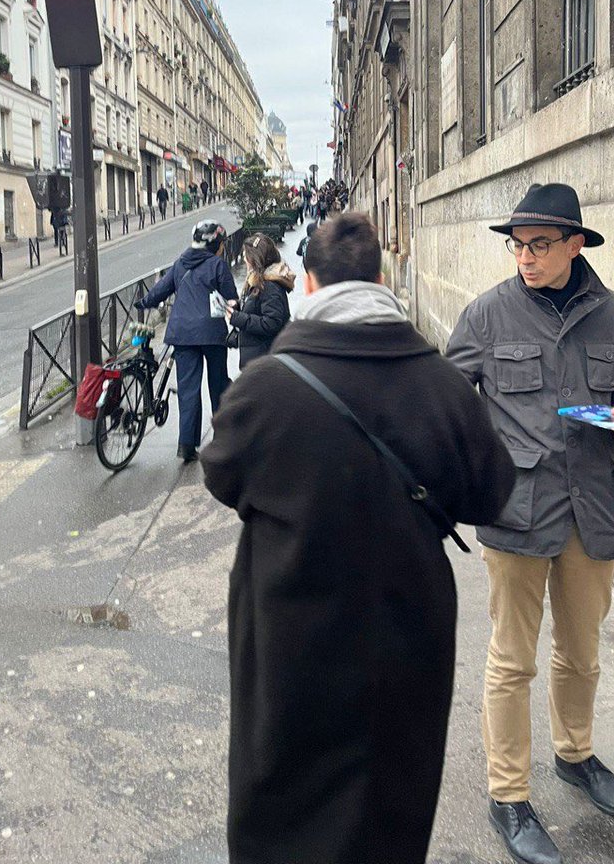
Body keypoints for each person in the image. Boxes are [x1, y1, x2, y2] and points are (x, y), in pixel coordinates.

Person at [201, 213, 515, 864]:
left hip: (290, 639)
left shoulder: (265, 388)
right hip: (403, 643)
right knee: (387, 809)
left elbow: (223, 475)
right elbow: (490, 493)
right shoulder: (443, 386)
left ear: (311, 283)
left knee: (281, 803)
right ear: (379, 278)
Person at [446, 183, 614, 864]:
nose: (525, 258)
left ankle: (576, 755)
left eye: (538, 245)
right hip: (518, 509)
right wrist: (478, 463)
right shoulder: (486, 315)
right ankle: (508, 795)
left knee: (582, 652)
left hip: (595, 505)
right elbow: (448, 402)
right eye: (517, 245)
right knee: (511, 660)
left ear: (574, 244)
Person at [138, 220, 238, 465]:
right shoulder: (217, 265)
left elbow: (159, 291)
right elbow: (232, 298)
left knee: (188, 389)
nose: (223, 248)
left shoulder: (181, 263)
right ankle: (223, 439)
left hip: (183, 334)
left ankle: (187, 445)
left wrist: (143, 302)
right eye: (222, 243)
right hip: (213, 334)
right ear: (216, 244)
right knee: (218, 384)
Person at [227, 233, 295, 368]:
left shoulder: (269, 286)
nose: (245, 260)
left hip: (263, 362)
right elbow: (258, 309)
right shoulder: (259, 281)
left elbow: (271, 323)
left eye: (246, 255)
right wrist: (239, 307)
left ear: (255, 259)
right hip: (258, 359)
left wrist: (238, 318)